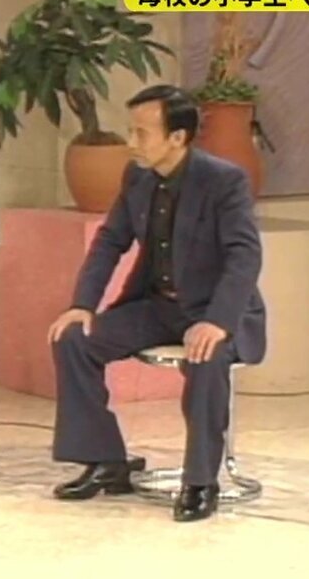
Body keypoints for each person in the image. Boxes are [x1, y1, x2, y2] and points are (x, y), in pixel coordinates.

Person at [47, 84, 265, 523]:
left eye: (141, 133)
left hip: (214, 312)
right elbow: (110, 241)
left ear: (177, 137)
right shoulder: (138, 177)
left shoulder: (224, 181)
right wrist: (82, 304)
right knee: (73, 339)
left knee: (206, 358)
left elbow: (244, 255)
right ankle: (105, 460)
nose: (131, 142)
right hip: (157, 306)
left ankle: (201, 482)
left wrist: (218, 321)